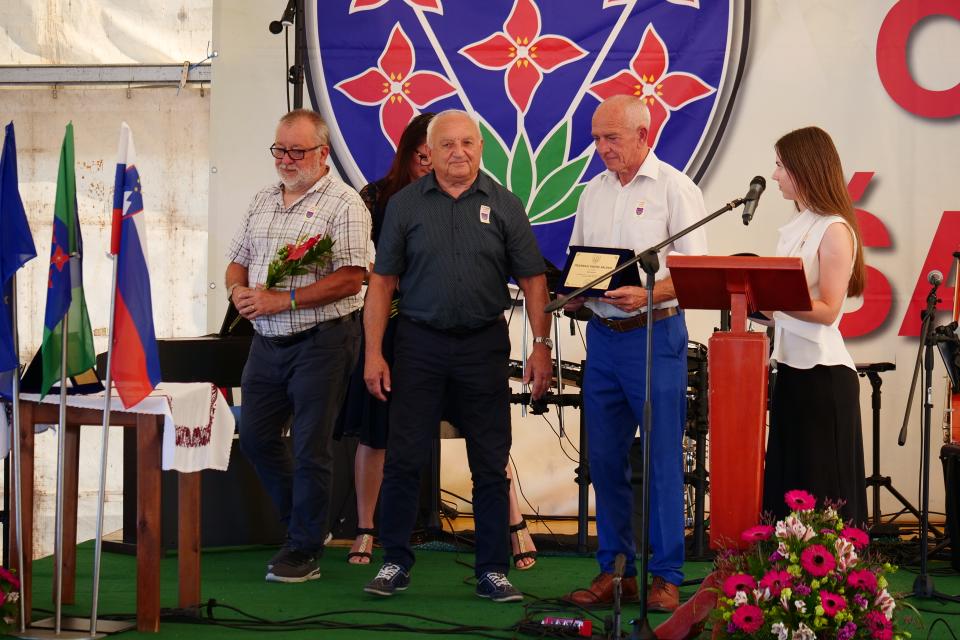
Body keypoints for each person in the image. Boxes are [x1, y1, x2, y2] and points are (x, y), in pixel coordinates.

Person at [361, 109, 552, 602]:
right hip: (418, 345)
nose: (458, 152)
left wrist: (541, 345)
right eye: (447, 144)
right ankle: (394, 561)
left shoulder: (505, 204)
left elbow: (533, 280)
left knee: (489, 462)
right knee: (404, 457)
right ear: (429, 152)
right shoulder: (404, 205)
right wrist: (374, 353)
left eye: (467, 143)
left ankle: (492, 570)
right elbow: (381, 283)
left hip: (482, 346)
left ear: (480, 148)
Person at [562, 95, 707, 611]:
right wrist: (575, 293)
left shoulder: (675, 188)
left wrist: (648, 294)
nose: (602, 148)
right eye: (597, 139)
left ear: (644, 135)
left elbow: (696, 274)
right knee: (603, 459)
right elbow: (581, 260)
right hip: (603, 338)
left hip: (655, 335)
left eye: (612, 138)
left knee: (662, 457)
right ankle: (615, 571)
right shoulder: (592, 192)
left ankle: (666, 575)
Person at [225, 108, 371, 583]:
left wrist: (282, 299)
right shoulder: (262, 199)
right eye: (279, 149)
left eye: (297, 151)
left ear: (323, 154)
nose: (285, 159)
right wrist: (237, 292)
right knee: (256, 438)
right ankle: (305, 525)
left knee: (311, 447)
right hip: (266, 343)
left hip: (322, 342)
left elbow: (351, 279)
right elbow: (236, 262)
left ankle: (303, 548)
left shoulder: (345, 203)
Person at [762, 126, 867, 524]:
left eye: (780, 166)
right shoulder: (798, 225)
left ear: (803, 168)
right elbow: (785, 306)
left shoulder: (833, 228)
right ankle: (787, 562)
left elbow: (828, 310)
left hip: (823, 377)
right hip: (790, 370)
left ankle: (829, 565)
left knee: (823, 493)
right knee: (790, 487)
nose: (774, 175)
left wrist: (773, 304)